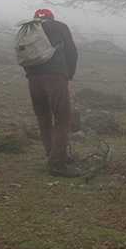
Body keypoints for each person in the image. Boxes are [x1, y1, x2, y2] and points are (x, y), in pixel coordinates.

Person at [24, 9, 79, 177]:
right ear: (51, 18)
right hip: (55, 77)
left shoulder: (28, 29)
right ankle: (57, 164)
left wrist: (31, 73)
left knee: (43, 118)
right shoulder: (60, 27)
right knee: (63, 118)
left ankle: (52, 154)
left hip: (33, 79)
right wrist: (68, 74)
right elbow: (72, 52)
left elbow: (23, 55)